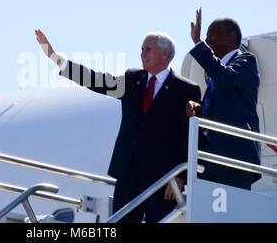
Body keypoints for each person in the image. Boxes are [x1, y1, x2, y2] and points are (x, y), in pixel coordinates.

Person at [35, 29, 201, 223]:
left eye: (148, 49)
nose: (142, 53)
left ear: (165, 54)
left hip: (162, 179)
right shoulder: (132, 79)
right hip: (128, 172)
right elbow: (97, 81)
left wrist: (181, 176)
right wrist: (57, 58)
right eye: (141, 49)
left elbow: (188, 136)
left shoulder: (186, 89)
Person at [186, 8, 262, 190]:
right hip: (210, 157)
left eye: (213, 34)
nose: (208, 40)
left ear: (231, 36)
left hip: (234, 157)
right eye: (206, 35)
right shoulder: (217, 73)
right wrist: (199, 111)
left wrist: (198, 43)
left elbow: (227, 78)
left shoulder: (246, 61)